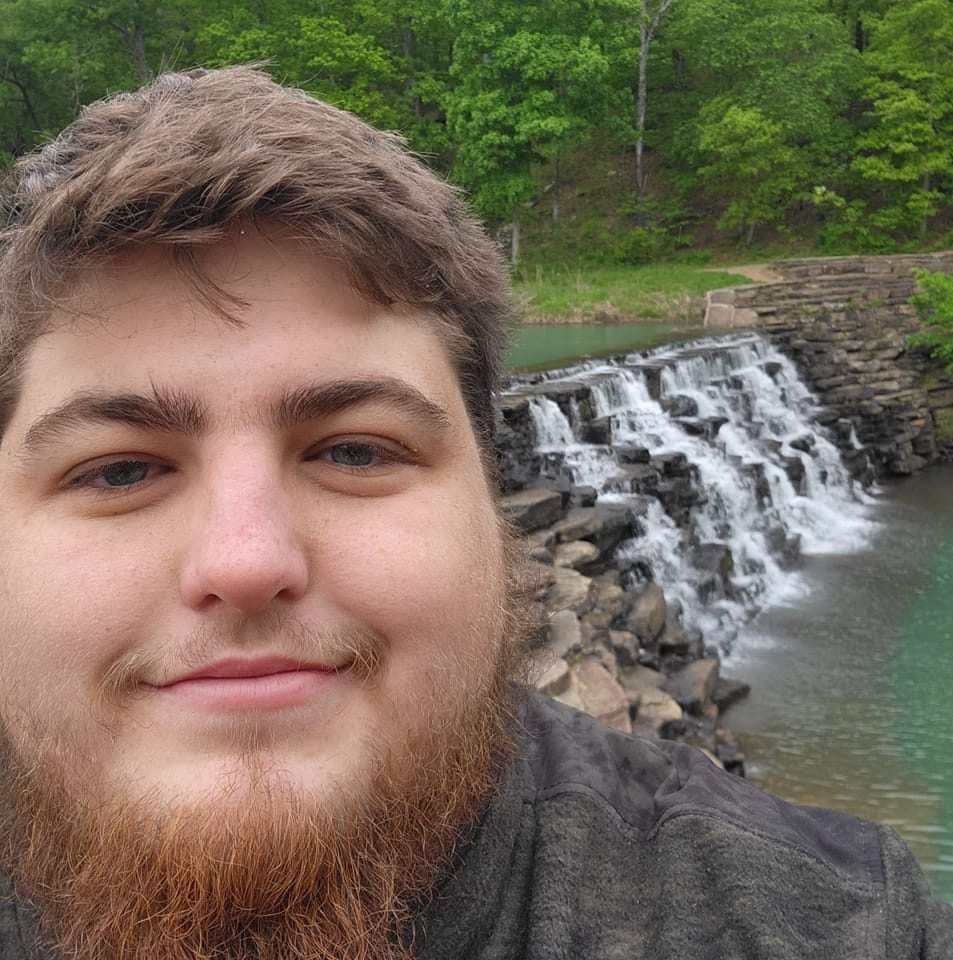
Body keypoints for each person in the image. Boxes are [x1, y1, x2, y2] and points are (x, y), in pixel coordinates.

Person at [0, 65, 947, 960]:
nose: (245, 561)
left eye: (356, 450)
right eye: (120, 471)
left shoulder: (837, 920)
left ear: (496, 511)